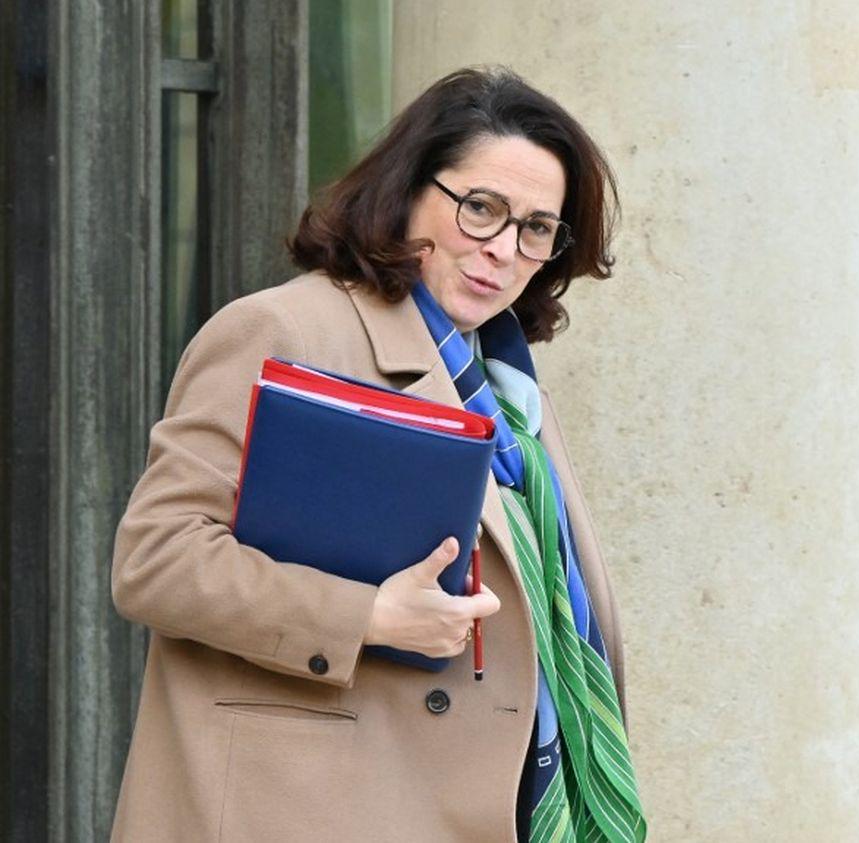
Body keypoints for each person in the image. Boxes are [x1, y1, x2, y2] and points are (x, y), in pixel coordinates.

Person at [109, 67, 646, 842]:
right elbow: (156, 559)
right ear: (406, 191)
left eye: (536, 228)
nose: (503, 249)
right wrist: (369, 615)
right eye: (480, 208)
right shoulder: (284, 330)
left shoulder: (507, 387)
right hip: (307, 806)